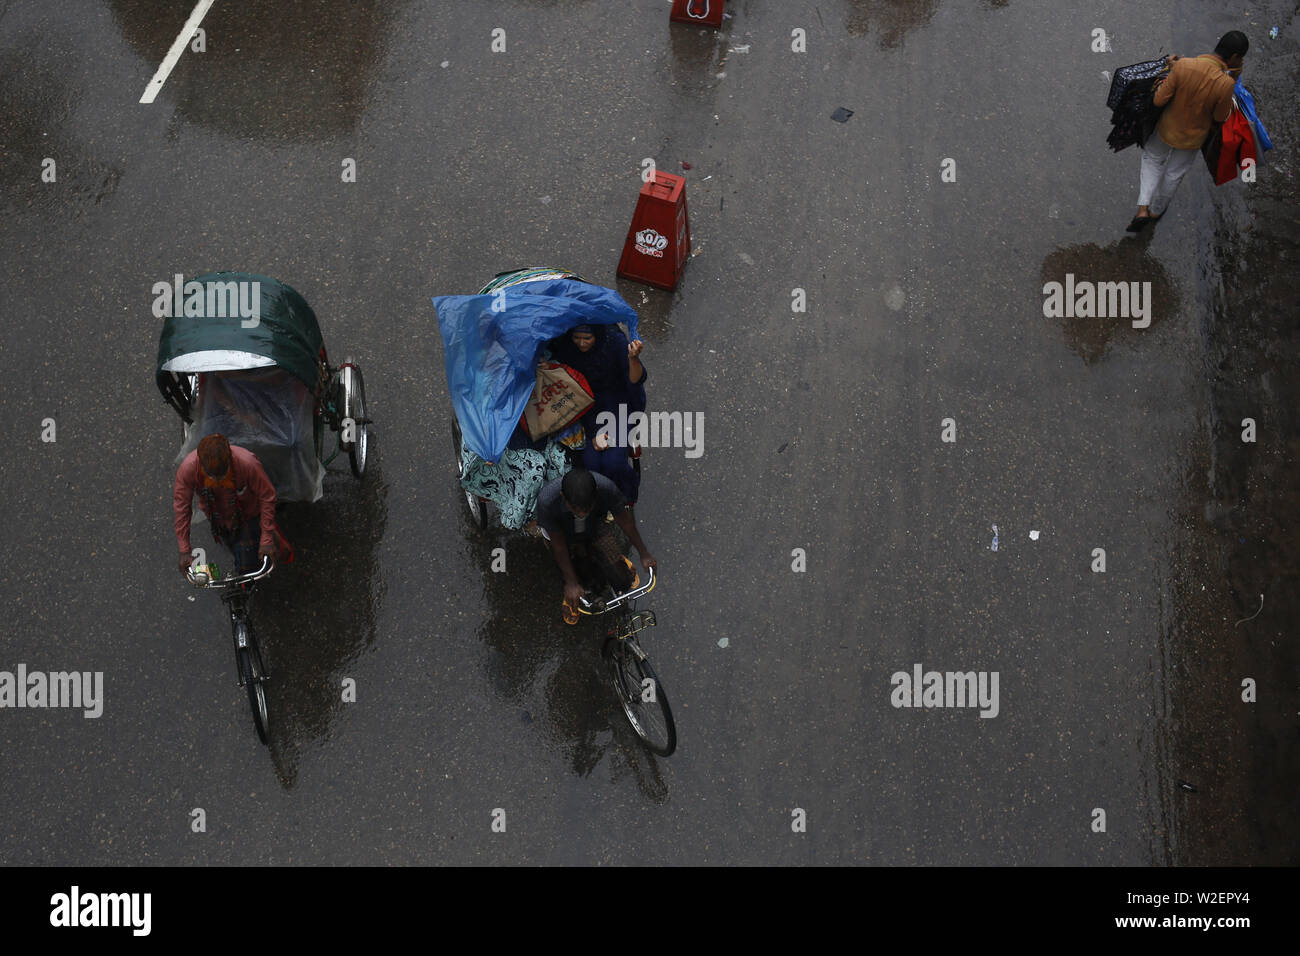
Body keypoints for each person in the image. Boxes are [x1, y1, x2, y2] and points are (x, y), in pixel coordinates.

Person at [1127, 31, 1247, 232]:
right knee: (1174, 173)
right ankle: (1156, 211)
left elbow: (1158, 100)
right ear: (1235, 57)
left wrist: (1172, 72)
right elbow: (1219, 117)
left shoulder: (1183, 65)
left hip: (1167, 128)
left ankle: (1142, 209)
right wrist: (1234, 77)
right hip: (1192, 138)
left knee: (1153, 160)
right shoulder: (1225, 84)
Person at [535, 467, 657, 624]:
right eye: (576, 509)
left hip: (594, 526)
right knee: (574, 581)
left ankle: (619, 561)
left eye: (587, 508)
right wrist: (571, 582)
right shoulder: (547, 502)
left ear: (597, 493)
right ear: (562, 497)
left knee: (622, 579)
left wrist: (644, 553)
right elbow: (559, 546)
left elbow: (625, 521)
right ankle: (569, 593)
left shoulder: (607, 488)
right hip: (561, 535)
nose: (582, 514)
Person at [549, 323, 647, 504]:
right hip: (583, 409)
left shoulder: (616, 342)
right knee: (590, 464)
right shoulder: (566, 348)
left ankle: (624, 498)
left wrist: (633, 359)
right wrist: (594, 432)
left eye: (587, 338)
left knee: (614, 463)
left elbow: (635, 381)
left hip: (618, 407)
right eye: (577, 338)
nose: (582, 343)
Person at [174, 433, 288, 577]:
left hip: (249, 517)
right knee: (235, 550)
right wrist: (184, 550)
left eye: (222, 475)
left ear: (230, 460)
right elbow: (182, 509)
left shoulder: (248, 464)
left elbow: (267, 497)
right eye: (212, 476)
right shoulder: (188, 470)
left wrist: (266, 539)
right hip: (218, 520)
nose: (218, 480)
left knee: (248, 567)